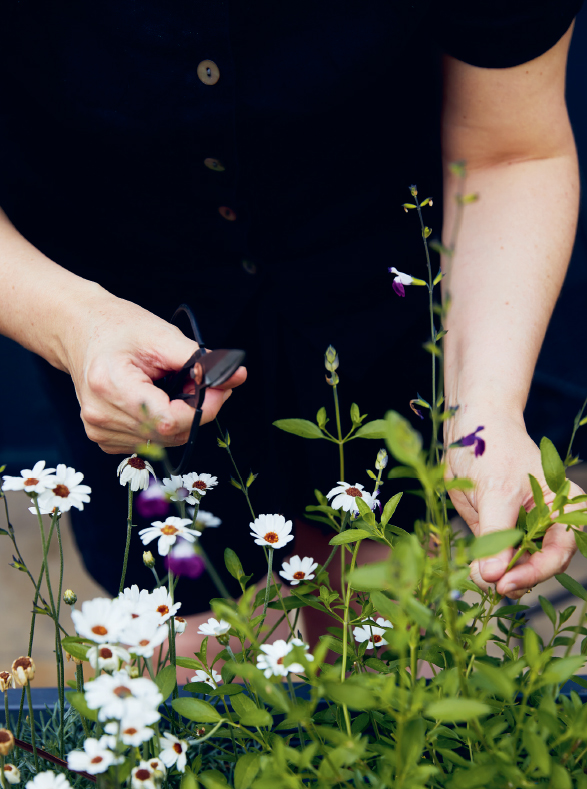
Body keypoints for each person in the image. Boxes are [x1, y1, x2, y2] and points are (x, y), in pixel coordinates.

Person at [0, 0, 583, 620]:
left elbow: (513, 150)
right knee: (188, 647)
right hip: (118, 301)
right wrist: (71, 325)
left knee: (377, 627)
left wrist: (485, 410)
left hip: (376, 276)